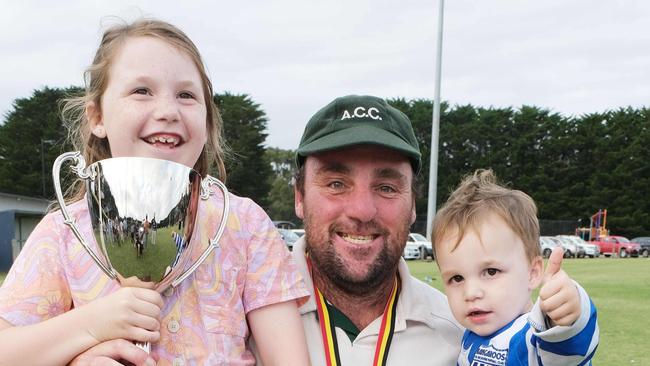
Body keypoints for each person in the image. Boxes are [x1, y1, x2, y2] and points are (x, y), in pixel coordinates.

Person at [0, 19, 310, 366]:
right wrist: (87, 329)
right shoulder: (63, 233)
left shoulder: (245, 225)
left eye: (186, 95)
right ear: (97, 116)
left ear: (207, 124)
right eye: (141, 91)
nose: (167, 111)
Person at [258, 95, 463, 365]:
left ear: (413, 204)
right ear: (300, 196)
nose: (362, 211)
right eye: (336, 184)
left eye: (386, 187)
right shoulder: (239, 321)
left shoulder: (461, 334)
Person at [431, 169, 599, 365]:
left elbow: (568, 347)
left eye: (491, 271)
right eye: (457, 278)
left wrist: (566, 317)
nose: (471, 292)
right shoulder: (469, 337)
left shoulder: (534, 340)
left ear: (532, 273)